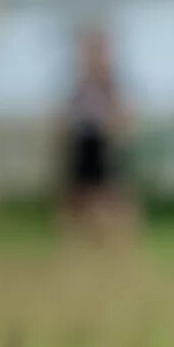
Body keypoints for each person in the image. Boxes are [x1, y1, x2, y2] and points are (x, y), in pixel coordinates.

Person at [61, 29, 134, 237]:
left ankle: (117, 239)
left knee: (110, 197)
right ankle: (84, 242)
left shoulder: (111, 84)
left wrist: (117, 134)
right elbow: (71, 114)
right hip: (84, 142)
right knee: (78, 198)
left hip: (103, 143)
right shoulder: (81, 84)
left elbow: (124, 116)